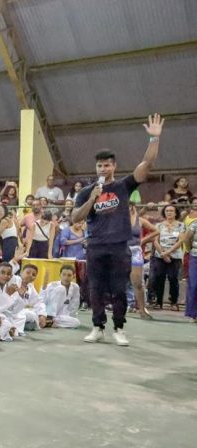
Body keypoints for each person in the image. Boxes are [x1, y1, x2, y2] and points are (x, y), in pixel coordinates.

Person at [73, 113, 165, 346]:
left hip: (119, 246)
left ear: (114, 166)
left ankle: (119, 328)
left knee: (118, 289)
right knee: (95, 288)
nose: (103, 168)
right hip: (95, 245)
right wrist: (92, 200)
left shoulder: (123, 186)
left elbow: (147, 165)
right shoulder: (87, 192)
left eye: (107, 165)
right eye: (99, 165)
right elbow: (75, 217)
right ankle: (97, 326)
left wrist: (154, 139)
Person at [151, 204, 186, 311]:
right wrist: (162, 253)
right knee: (159, 278)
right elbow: (155, 240)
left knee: (173, 278)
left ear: (176, 213)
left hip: (175, 256)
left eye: (171, 211)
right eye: (167, 211)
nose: (169, 213)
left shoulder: (181, 225)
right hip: (160, 255)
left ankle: (174, 302)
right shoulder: (159, 225)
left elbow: (180, 241)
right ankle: (158, 302)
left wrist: (168, 253)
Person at [127, 202, 156, 319]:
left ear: (133, 207)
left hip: (135, 251)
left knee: (138, 283)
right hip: (120, 251)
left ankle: (142, 309)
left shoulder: (139, 220)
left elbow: (155, 230)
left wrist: (143, 240)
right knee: (117, 281)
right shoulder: (118, 219)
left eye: (128, 207)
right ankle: (121, 306)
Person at [185, 214, 197, 323]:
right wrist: (190, 251)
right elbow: (187, 239)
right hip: (195, 257)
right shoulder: (194, 224)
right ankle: (192, 314)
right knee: (194, 285)